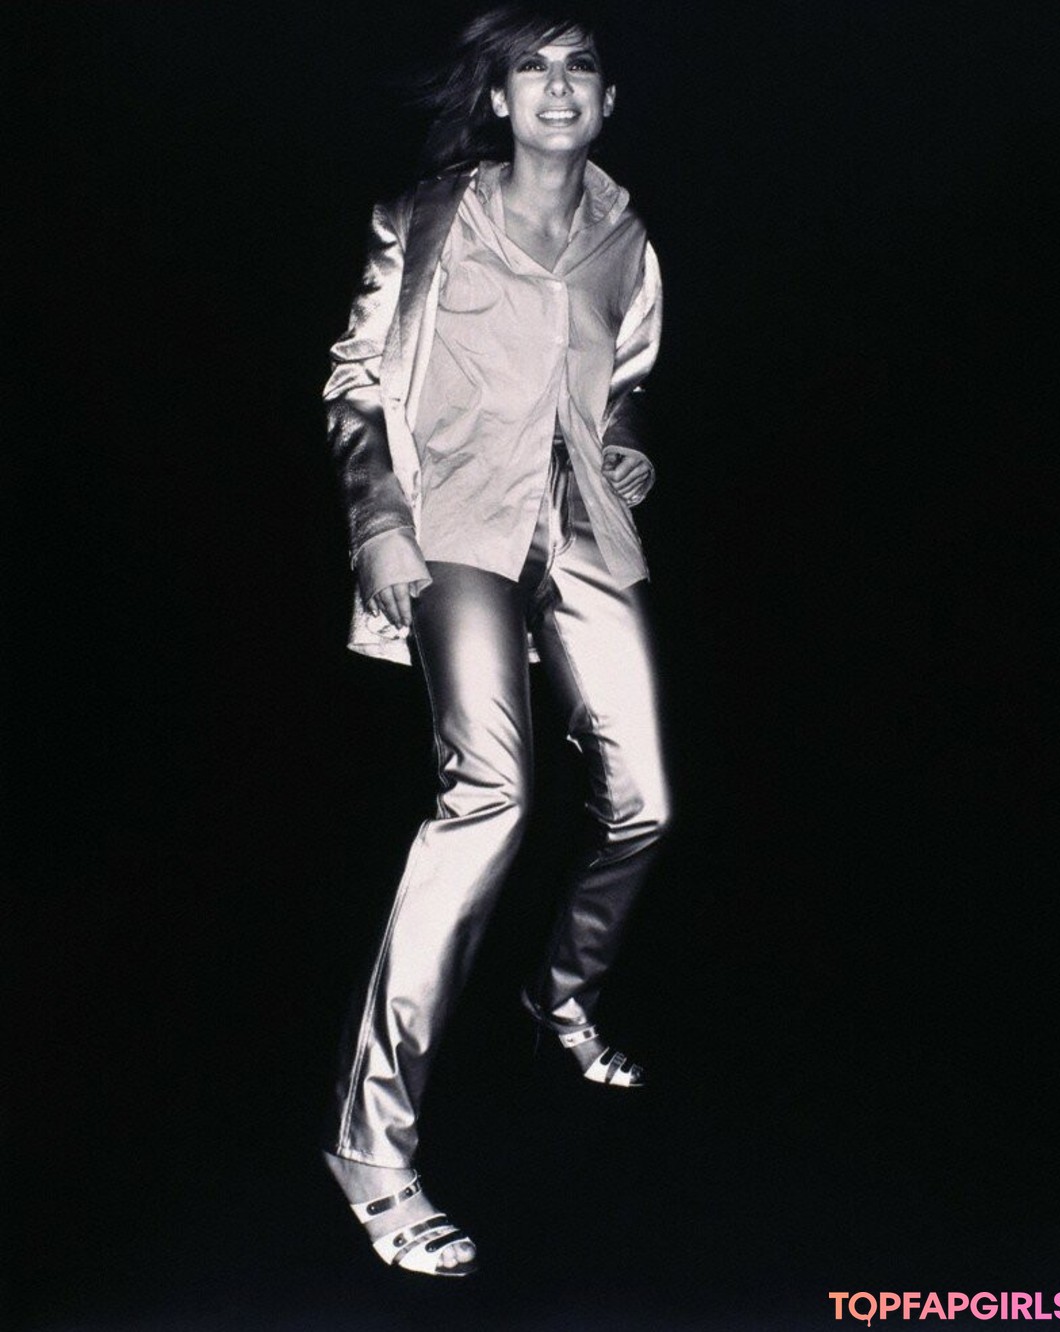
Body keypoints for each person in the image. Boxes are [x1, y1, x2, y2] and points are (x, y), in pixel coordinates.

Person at [320, 3, 671, 1277]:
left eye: (581, 67)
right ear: (500, 101)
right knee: (491, 803)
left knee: (646, 803)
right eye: (533, 67)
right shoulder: (424, 218)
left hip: (575, 529)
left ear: (607, 102)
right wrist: (376, 520)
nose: (558, 86)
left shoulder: (626, 238)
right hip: (456, 525)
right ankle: (371, 1147)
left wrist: (626, 442)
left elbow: (624, 380)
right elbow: (356, 378)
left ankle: (559, 999)